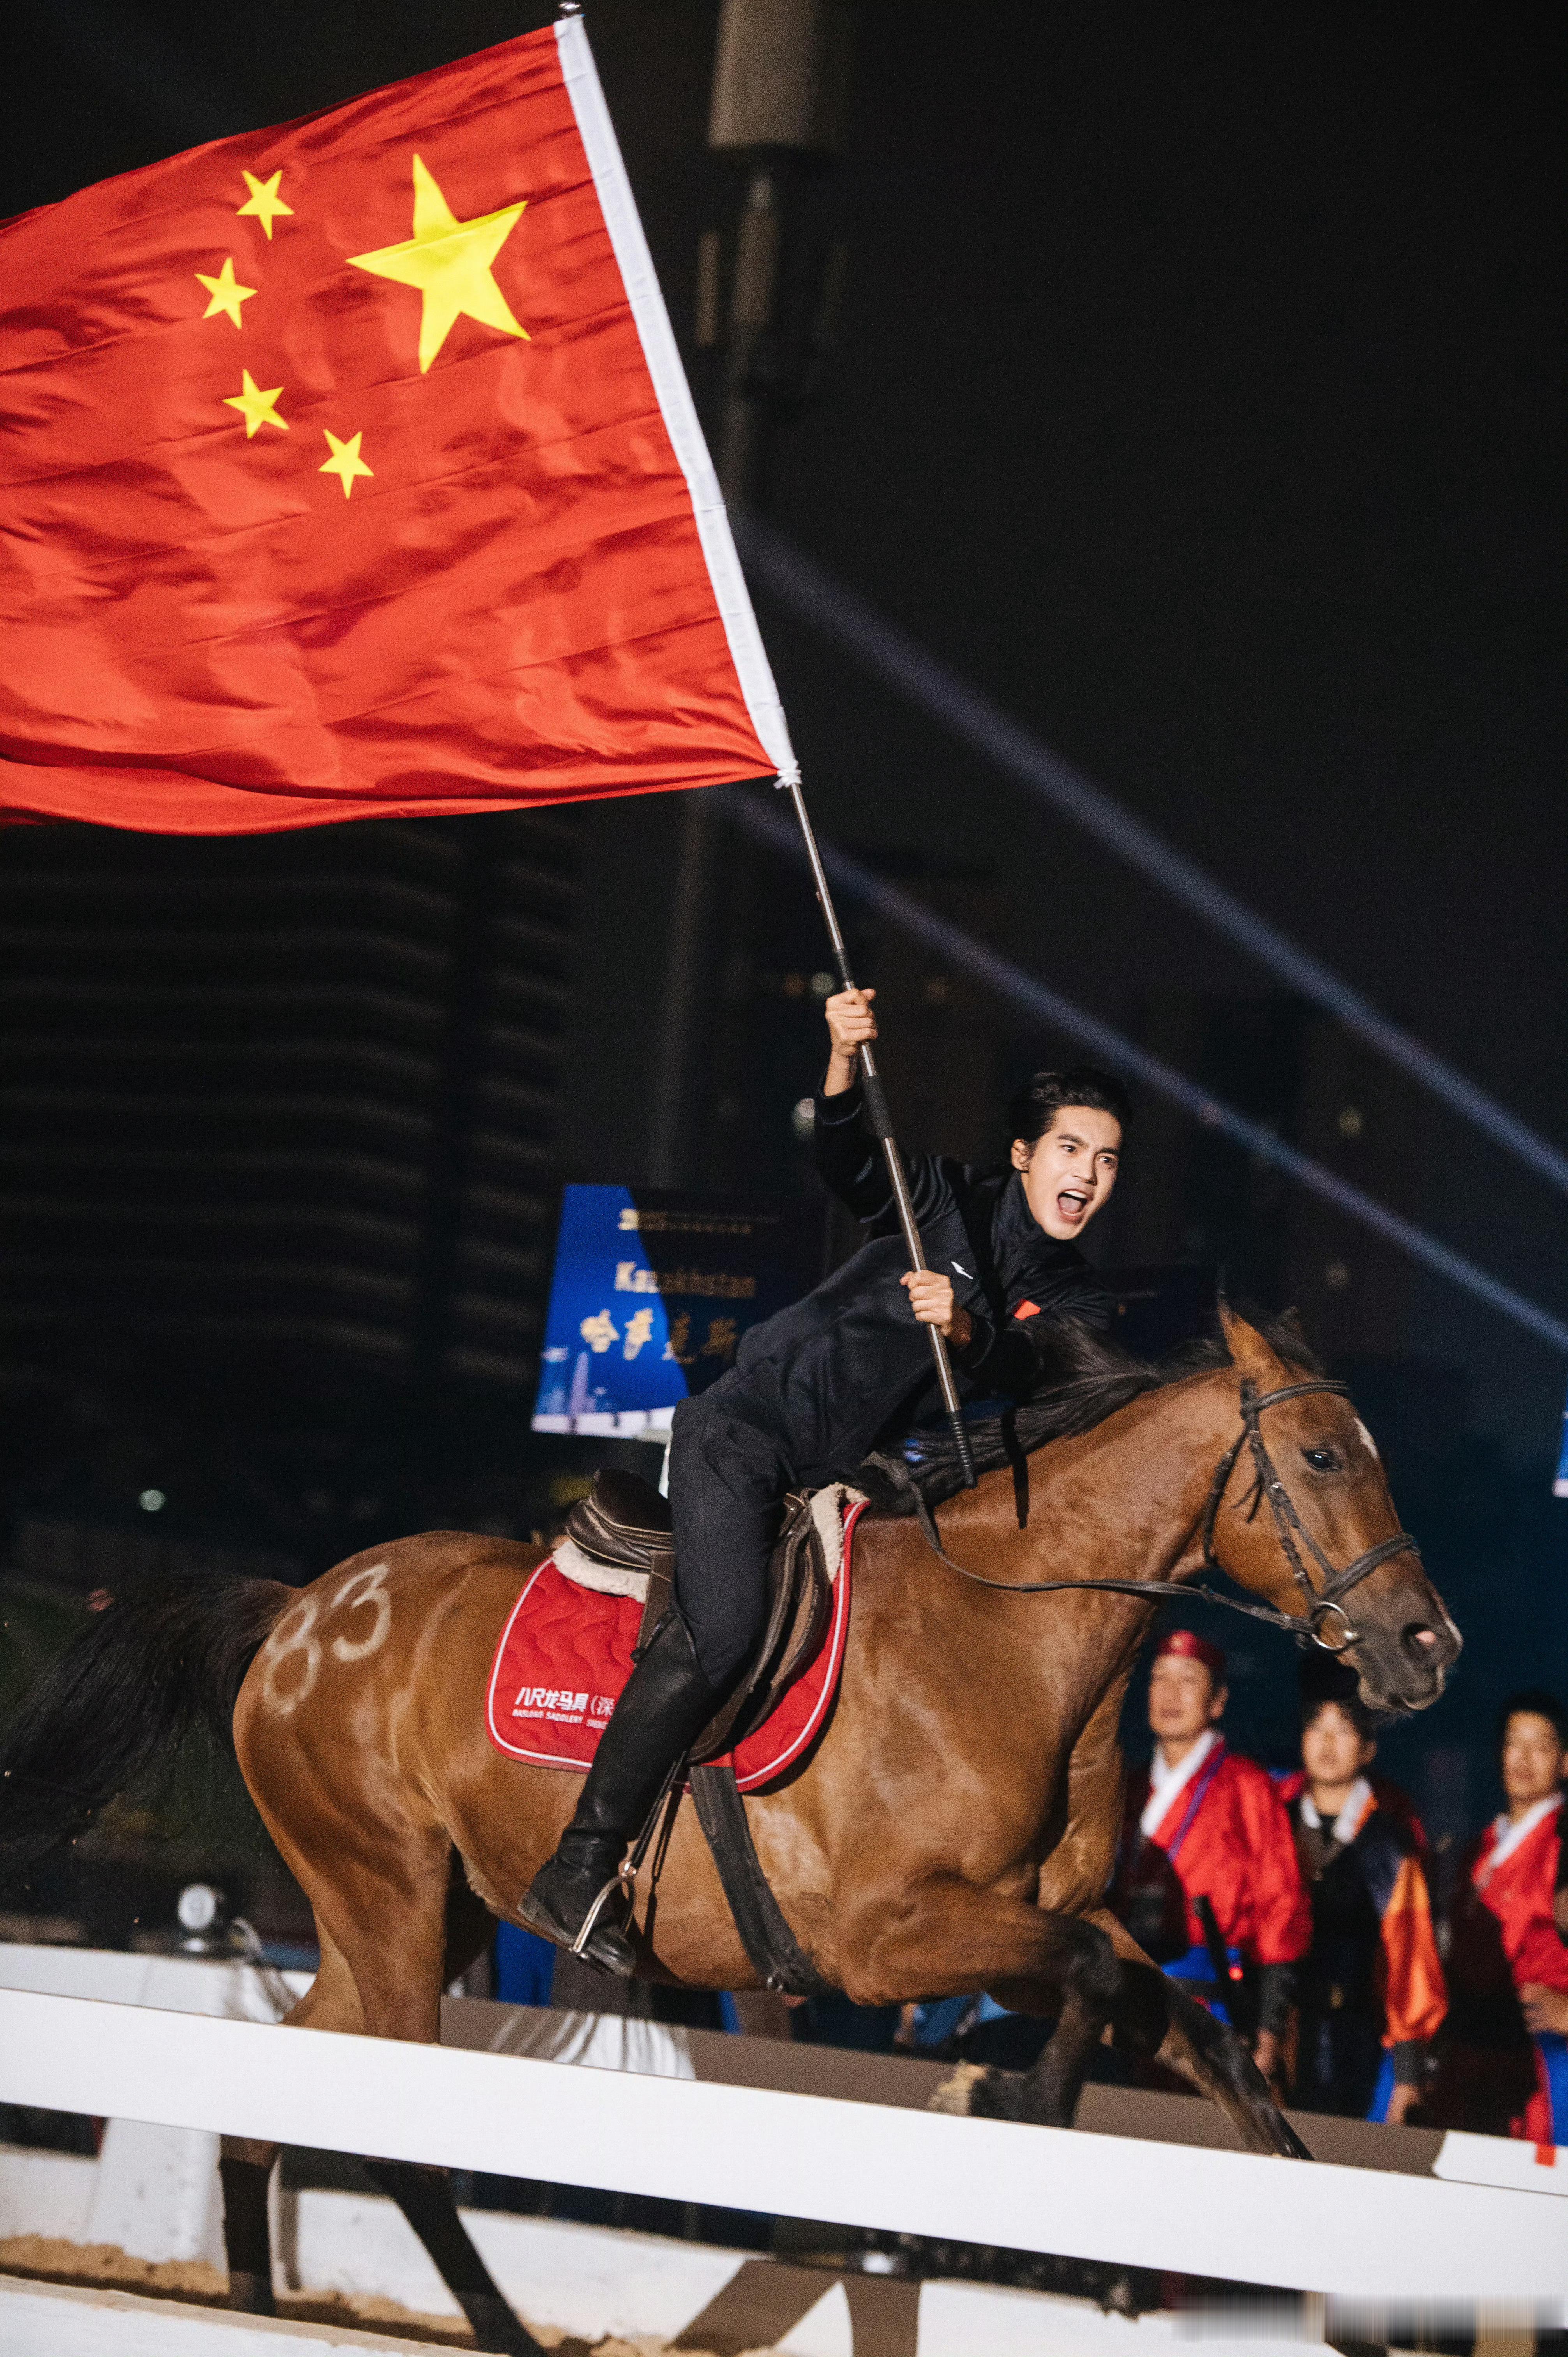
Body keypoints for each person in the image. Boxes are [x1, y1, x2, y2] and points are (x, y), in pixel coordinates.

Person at [523, 984, 1129, 1969]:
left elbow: (1040, 1370)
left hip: (854, 1487)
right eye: (1070, 1150)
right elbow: (848, 1158)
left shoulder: (1076, 1295)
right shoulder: (944, 1199)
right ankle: (577, 1866)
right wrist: (843, 1058)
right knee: (721, 1633)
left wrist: (969, 1331)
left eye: (1105, 1162)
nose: (1087, 1175)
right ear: (1023, 1155)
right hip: (744, 1435)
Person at [1113, 1629, 1310, 2087]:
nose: (1169, 1693)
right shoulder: (1127, 1787)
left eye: (1187, 1680)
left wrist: (1270, 2029)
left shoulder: (1247, 1786)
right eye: (1159, 1678)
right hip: (1126, 1995)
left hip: (1210, 2004)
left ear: (1217, 1701)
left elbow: (1281, 1907)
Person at [1277, 1664, 1445, 2123]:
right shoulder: (1276, 1825)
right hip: (1280, 2036)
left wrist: (1409, 2077)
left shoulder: (1388, 1842)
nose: (1327, 1744)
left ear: (1368, 1747)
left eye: (1343, 1730)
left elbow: (1411, 1956)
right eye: (1317, 1728)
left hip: (1360, 2037)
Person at [1431, 1691, 1568, 2144]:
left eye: (1542, 1746)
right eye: (1515, 1743)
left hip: (1539, 2062)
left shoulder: (1560, 1845)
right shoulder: (1481, 1846)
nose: (1524, 1759)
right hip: (1470, 2055)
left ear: (1564, 1761)